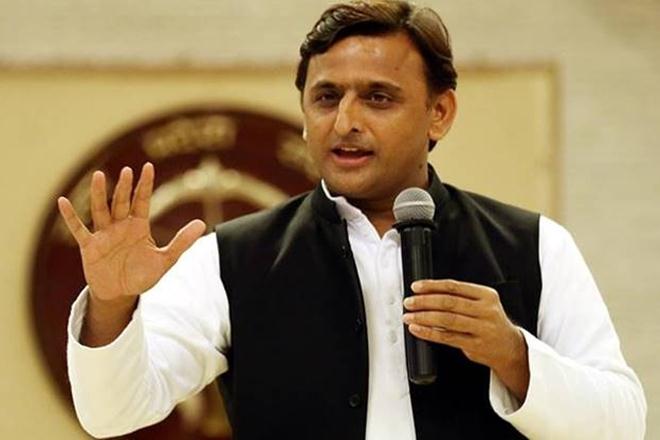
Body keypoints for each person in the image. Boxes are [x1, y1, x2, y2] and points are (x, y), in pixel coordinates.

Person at [60, 1, 646, 439]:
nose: (345, 122)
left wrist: (515, 355)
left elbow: (623, 425)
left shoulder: (534, 245)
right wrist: (112, 305)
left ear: (440, 113)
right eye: (326, 97)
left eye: (378, 98)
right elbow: (113, 414)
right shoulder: (233, 257)